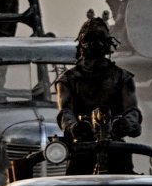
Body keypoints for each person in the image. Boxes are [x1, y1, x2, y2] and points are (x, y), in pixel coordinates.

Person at [54, 17, 143, 174]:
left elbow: (132, 110)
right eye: (90, 39)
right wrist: (74, 126)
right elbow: (65, 112)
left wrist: (126, 123)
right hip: (81, 150)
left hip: (116, 149)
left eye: (100, 38)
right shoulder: (67, 80)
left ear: (108, 43)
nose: (95, 44)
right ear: (81, 43)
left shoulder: (123, 78)